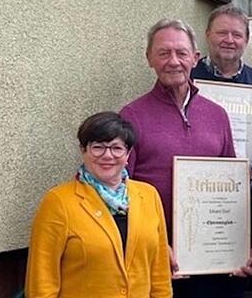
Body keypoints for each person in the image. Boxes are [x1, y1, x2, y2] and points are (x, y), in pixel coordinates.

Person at [120, 19, 252, 297]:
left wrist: (240, 245)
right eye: (163, 53)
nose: (173, 61)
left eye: (181, 53)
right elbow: (122, 190)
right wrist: (156, 243)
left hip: (212, 261)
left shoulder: (217, 115)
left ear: (195, 58)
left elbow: (231, 187)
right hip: (157, 260)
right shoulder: (132, 116)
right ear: (149, 59)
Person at [25, 112, 172, 297]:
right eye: (98, 147)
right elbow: (42, 279)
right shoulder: (58, 202)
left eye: (116, 148)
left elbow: (159, 274)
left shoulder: (148, 195)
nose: (107, 155)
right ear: (83, 150)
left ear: (128, 154)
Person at [191, 4, 252, 126]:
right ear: (207, 35)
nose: (229, 40)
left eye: (237, 35)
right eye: (222, 33)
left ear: (247, 40)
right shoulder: (188, 77)